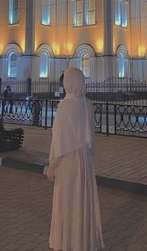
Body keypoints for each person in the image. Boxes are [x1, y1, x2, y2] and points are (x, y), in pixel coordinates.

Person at [47, 67, 104, 251]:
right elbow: (91, 134)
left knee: (68, 202)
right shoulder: (87, 104)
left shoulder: (65, 106)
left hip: (68, 163)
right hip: (84, 161)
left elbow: (59, 139)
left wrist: (52, 165)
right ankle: (84, 241)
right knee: (83, 202)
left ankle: (68, 242)